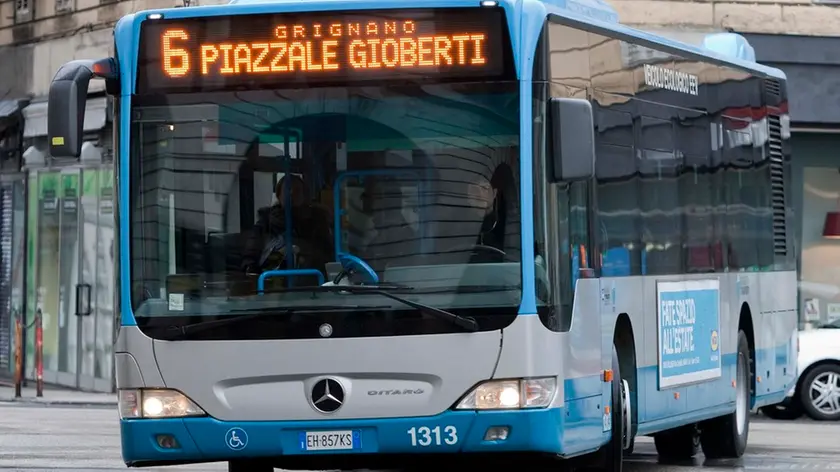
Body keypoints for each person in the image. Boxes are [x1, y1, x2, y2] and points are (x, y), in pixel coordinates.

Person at [241, 175, 333, 276]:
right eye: (287, 189)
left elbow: (326, 251)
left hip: (309, 276)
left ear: (304, 195)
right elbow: (253, 246)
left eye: (297, 191)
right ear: (279, 195)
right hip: (272, 277)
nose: (291, 193)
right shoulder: (267, 221)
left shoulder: (317, 221)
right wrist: (250, 268)